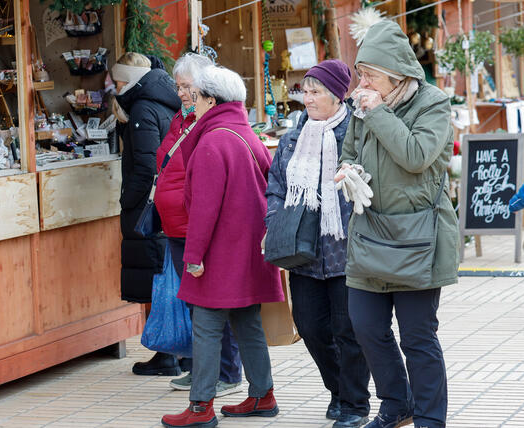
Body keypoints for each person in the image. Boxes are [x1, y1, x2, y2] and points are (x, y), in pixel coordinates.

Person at [337, 20, 459, 428]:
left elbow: (415, 154)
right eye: (361, 73)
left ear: (394, 71)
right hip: (370, 232)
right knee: (366, 327)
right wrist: (347, 173)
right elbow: (349, 150)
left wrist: (376, 112)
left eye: (370, 73)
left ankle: (429, 419)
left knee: (418, 337)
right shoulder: (363, 102)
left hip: (419, 237)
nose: (363, 81)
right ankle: (396, 403)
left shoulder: (433, 103)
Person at [161, 65, 284, 428]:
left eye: (194, 95)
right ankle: (262, 395)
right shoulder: (246, 134)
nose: (189, 101)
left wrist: (194, 256)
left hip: (220, 253)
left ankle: (200, 407)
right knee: (247, 322)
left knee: (206, 325)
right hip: (250, 251)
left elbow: (204, 208)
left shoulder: (213, 141)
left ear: (211, 100)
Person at [265, 60, 371, 428]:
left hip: (347, 249)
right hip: (304, 249)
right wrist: (274, 221)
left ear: (336, 94)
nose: (306, 98)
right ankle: (338, 390)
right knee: (309, 325)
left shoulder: (356, 134)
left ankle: (355, 403)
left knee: (349, 330)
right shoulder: (294, 138)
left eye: (315, 91)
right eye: (304, 91)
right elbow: (276, 186)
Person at [154, 53, 243, 396]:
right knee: (194, 304)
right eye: (178, 87)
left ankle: (227, 373)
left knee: (215, 305)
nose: (182, 93)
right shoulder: (181, 118)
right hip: (176, 226)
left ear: (207, 87)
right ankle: (202, 368)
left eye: (187, 86)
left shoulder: (208, 121)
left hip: (197, 227)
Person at [111, 52, 181, 375]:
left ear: (129, 79)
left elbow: (146, 166)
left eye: (118, 80)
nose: (115, 86)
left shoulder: (141, 107)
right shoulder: (165, 98)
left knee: (155, 279)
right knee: (168, 277)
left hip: (148, 208)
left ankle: (166, 353)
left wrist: (128, 201)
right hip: (169, 203)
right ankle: (180, 352)